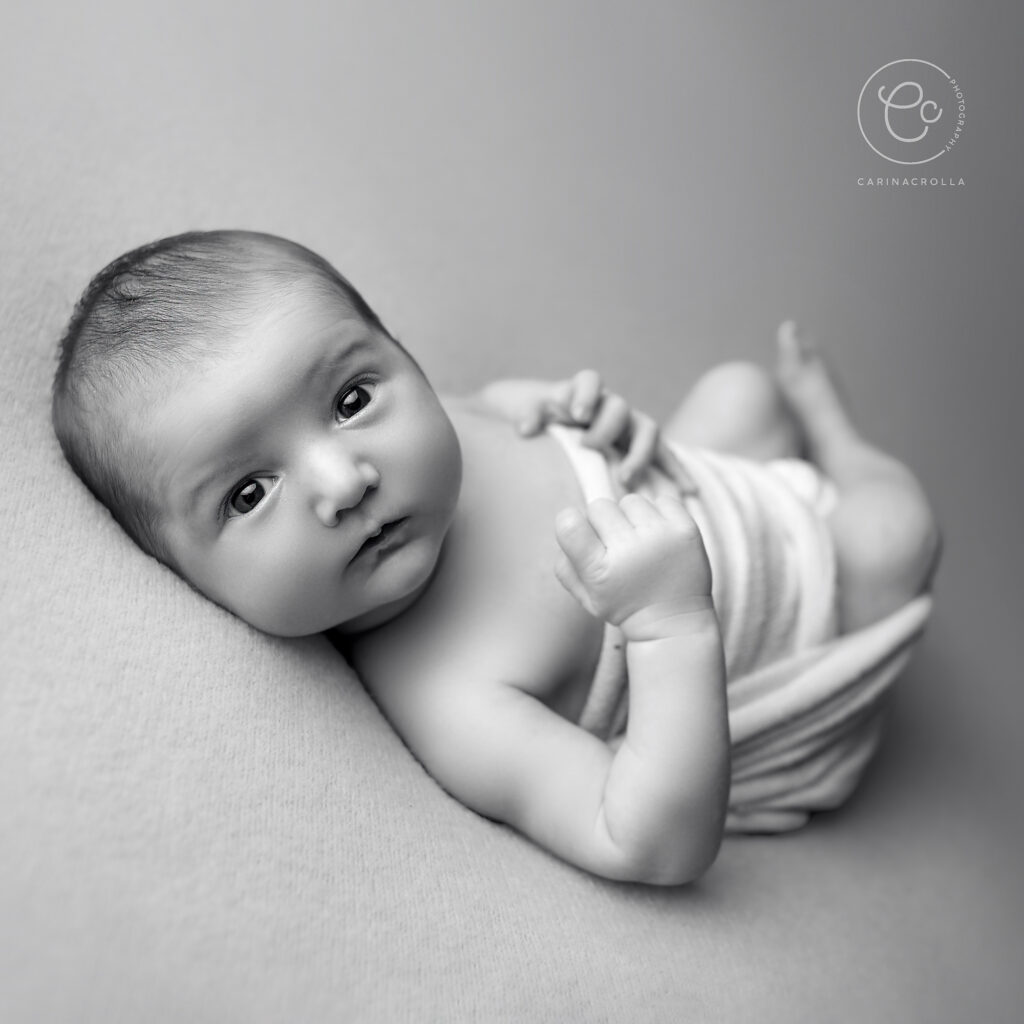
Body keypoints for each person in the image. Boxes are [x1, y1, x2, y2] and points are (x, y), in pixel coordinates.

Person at [51, 230, 940, 885]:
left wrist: (568, 408)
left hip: (698, 488)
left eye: (353, 397)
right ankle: (842, 443)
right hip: (783, 615)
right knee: (895, 535)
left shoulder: (437, 420)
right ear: (184, 580)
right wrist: (669, 625)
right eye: (248, 494)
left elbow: (487, 408)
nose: (344, 479)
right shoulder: (445, 690)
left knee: (738, 394)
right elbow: (646, 842)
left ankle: (805, 432)